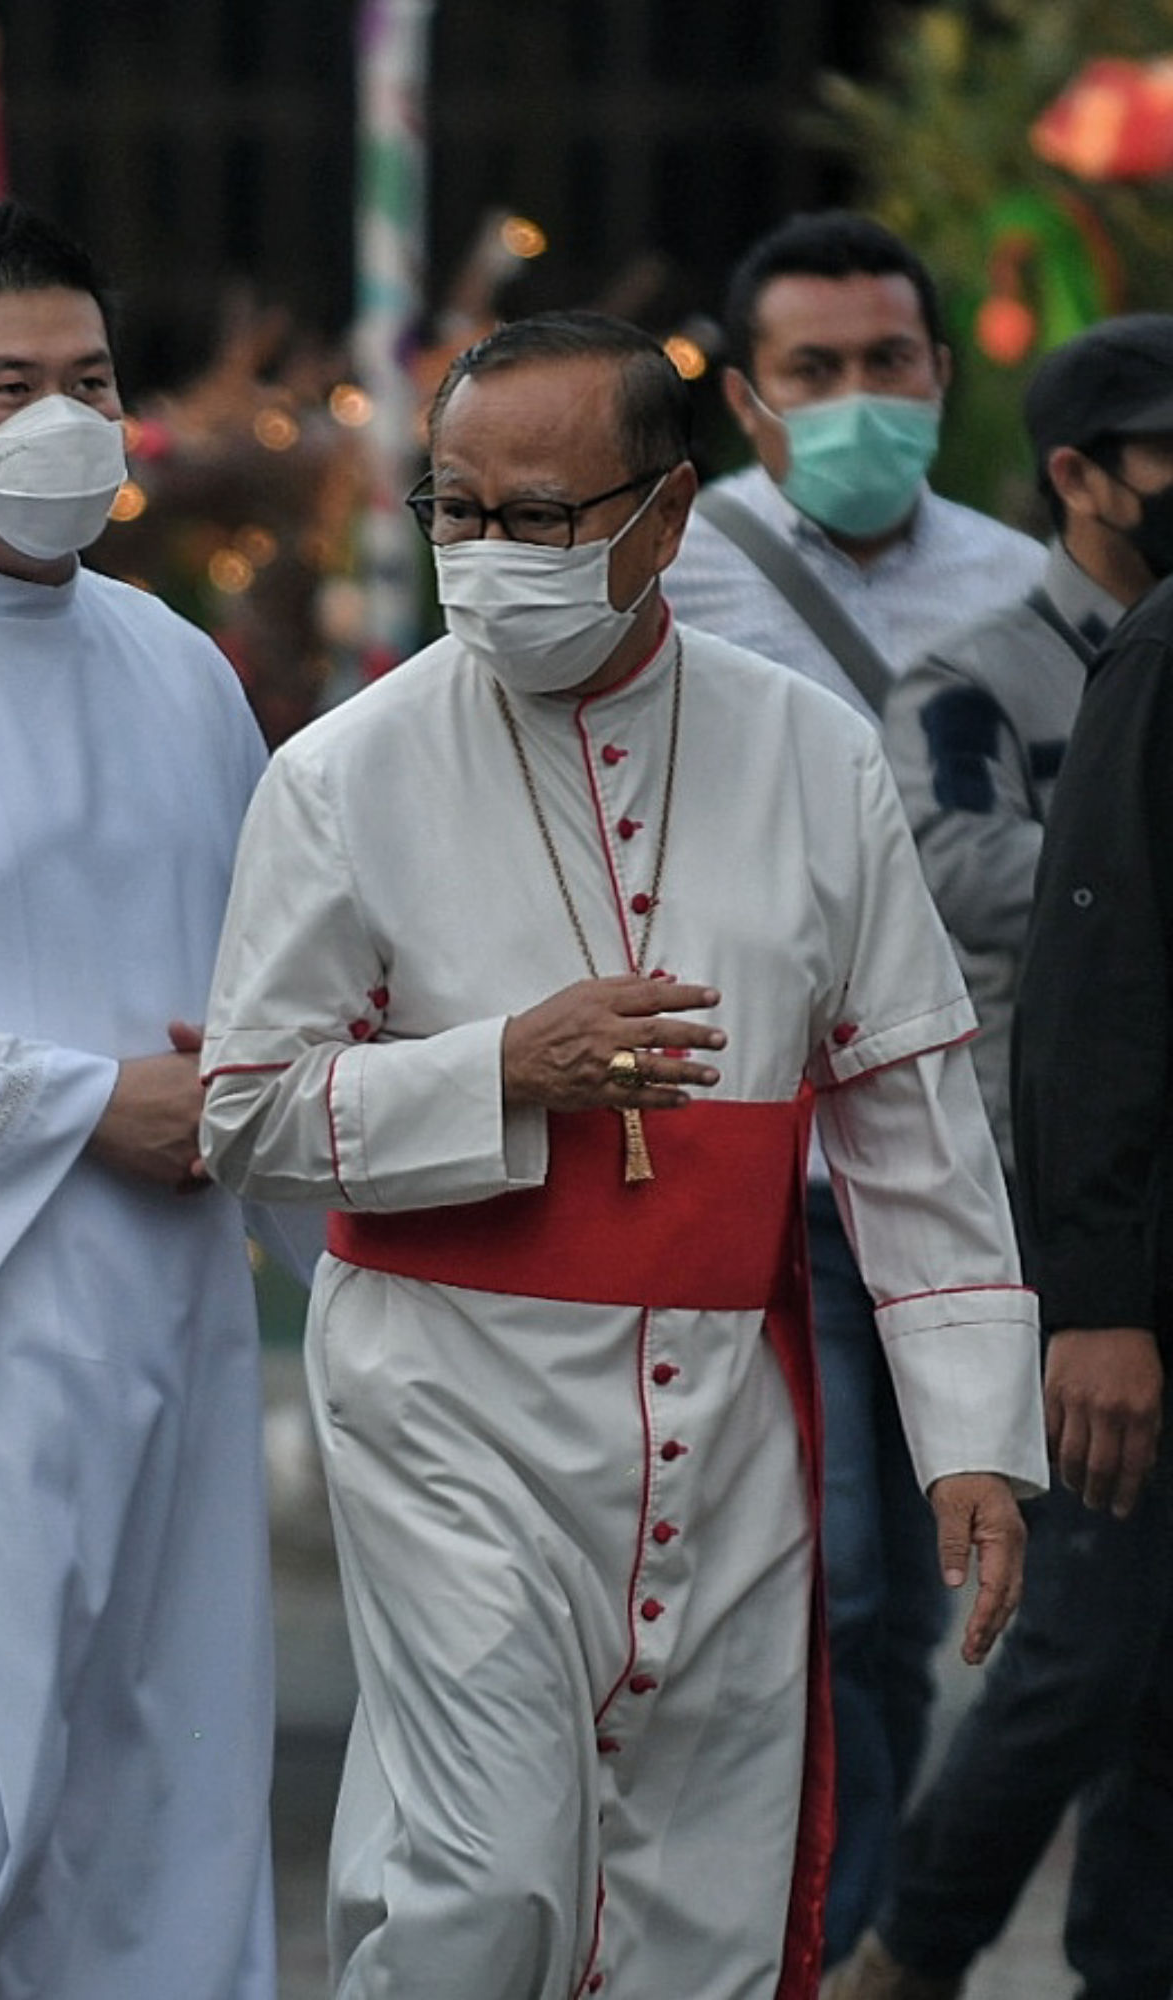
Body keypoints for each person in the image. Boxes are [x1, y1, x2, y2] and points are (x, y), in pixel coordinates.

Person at [200, 310, 1043, 1999]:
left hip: (728, 1403)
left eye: (541, 516)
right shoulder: (339, 774)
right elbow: (248, 1115)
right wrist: (501, 1067)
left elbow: (905, 1102)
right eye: (458, 511)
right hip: (451, 1397)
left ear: (666, 517)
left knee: (699, 1901)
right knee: (484, 1881)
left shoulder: (812, 752)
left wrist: (968, 1426)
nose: (488, 555)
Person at [0, 199, 287, 2000]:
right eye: (5, 387)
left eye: (87, 381)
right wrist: (88, 1103)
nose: (59, 424)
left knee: (172, 1777)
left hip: (183, 1304)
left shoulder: (178, 661)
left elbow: (283, 964)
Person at [660, 210, 1047, 1962]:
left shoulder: (1020, 587)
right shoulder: (676, 578)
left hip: (953, 1159)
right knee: (829, 1587)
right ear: (749, 399)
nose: (857, 400)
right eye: (814, 371)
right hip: (754, 1162)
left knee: (919, 1598)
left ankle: (867, 1943)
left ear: (941, 376)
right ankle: (813, 1936)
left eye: (888, 365)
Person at [833, 317, 1173, 2000]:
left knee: (1151, 1665)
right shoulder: (983, 671)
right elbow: (963, 868)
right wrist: (1128, 845)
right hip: (1053, 1196)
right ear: (1081, 475)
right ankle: (910, 1949)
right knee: (1079, 1644)